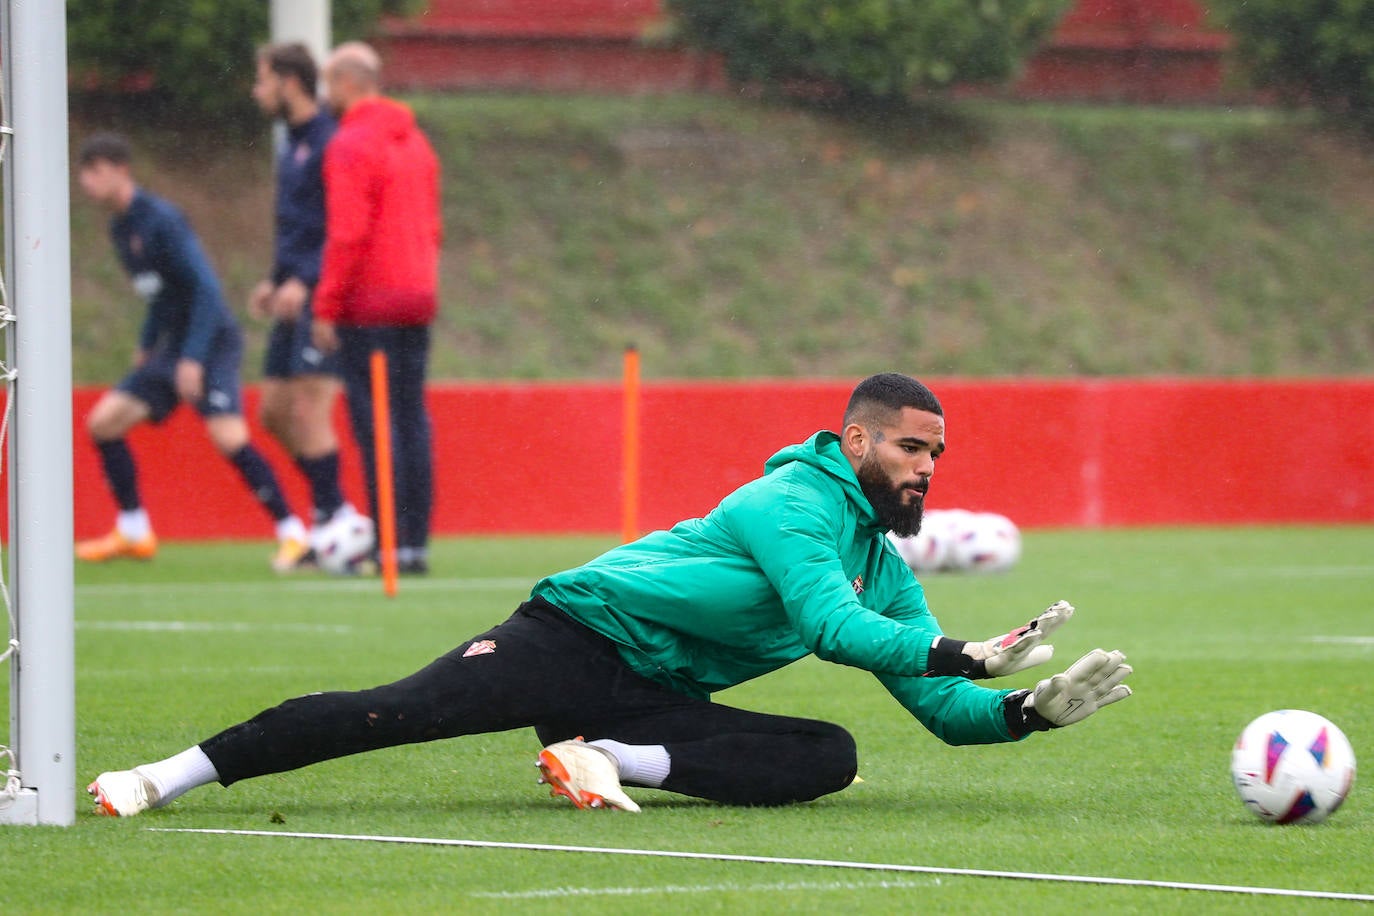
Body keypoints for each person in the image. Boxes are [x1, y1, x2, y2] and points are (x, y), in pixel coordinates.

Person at [87, 373, 1133, 817]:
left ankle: (602, 757)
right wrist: (959, 651)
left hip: (641, 697)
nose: (927, 467)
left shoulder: (884, 560)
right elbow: (832, 629)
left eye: (937, 454)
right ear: (856, 439)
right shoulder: (790, 502)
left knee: (832, 755)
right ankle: (163, 775)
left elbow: (934, 709)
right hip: (580, 634)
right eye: (911, 447)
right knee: (398, 711)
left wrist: (1015, 712)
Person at [73, 133, 309, 569]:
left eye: (94, 171)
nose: (86, 182)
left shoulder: (161, 219)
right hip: (171, 346)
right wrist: (147, 346)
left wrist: (193, 357)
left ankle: (294, 534)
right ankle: (133, 530)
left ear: (119, 170)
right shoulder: (120, 227)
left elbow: (204, 289)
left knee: (228, 436)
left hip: (209, 340)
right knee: (104, 423)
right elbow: (159, 296)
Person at [310, 41, 441, 576]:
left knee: (374, 424)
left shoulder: (350, 144)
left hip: (369, 302)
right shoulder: (416, 142)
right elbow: (433, 225)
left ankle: (387, 544)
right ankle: (414, 544)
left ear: (347, 82)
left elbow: (347, 233)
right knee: (412, 419)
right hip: (416, 297)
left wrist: (326, 304)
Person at [248, 42, 352, 567]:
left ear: (290, 81)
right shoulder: (290, 143)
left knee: (309, 409)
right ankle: (334, 514)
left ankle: (337, 525)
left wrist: (307, 282)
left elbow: (338, 226)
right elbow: (297, 226)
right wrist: (274, 279)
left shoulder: (329, 141)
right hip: (292, 294)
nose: (256, 89)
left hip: (320, 295)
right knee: (272, 412)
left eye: (263, 79)